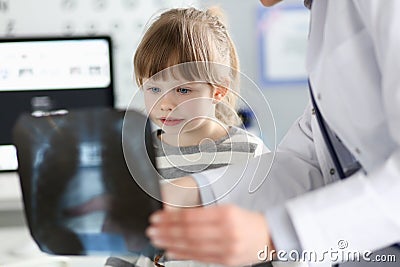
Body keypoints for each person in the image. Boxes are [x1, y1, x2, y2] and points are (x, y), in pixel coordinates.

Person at [145, 0, 400, 266]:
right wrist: (185, 194)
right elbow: (310, 159)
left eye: (183, 90)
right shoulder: (326, 11)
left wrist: (278, 233)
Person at [105, 6, 269, 267]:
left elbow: (266, 242)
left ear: (217, 91)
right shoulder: (137, 160)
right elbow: (124, 249)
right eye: (154, 87)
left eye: (182, 90)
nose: (165, 103)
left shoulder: (248, 153)